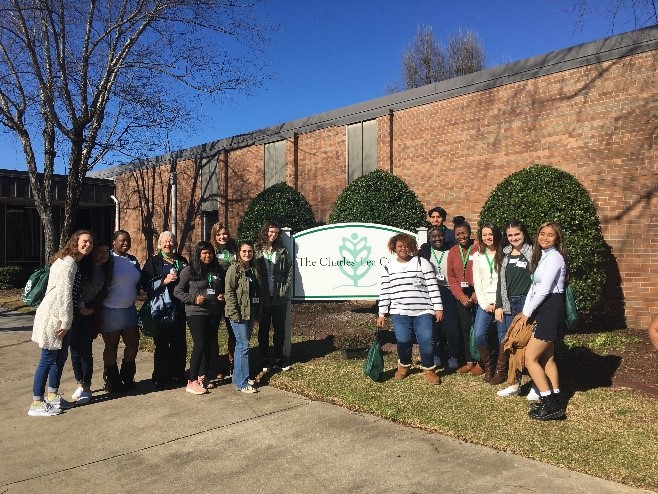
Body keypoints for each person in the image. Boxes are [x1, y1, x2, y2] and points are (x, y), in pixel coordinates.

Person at [28, 230, 94, 416]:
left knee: (59, 357)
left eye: (90, 242)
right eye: (84, 241)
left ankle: (52, 396)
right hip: (55, 317)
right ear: (75, 242)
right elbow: (64, 295)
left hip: (63, 316)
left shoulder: (73, 262)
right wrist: (65, 322)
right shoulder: (68, 263)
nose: (87, 245)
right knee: (47, 359)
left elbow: (72, 295)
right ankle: (36, 403)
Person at [377, 233, 443, 385]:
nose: (403, 249)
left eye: (406, 246)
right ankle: (404, 365)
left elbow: (432, 287)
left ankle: (428, 369)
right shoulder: (389, 268)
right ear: (394, 247)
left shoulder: (422, 263)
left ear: (411, 247)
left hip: (423, 311)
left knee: (426, 340)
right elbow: (385, 292)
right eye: (400, 246)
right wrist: (381, 313)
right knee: (403, 340)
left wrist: (438, 308)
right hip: (399, 312)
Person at [519, 221, 568, 421]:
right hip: (545, 307)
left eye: (550, 235)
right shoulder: (544, 256)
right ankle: (556, 400)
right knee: (547, 358)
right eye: (542, 233)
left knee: (530, 358)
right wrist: (526, 309)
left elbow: (545, 289)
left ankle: (549, 403)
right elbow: (534, 286)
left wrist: (527, 314)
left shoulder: (555, 258)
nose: (545, 237)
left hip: (551, 307)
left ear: (557, 239)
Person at [173, 241, 225, 395]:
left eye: (210, 253)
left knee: (209, 344)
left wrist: (220, 296)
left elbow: (218, 288)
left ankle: (202, 376)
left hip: (213, 312)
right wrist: (193, 299)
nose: (208, 256)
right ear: (198, 254)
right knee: (200, 343)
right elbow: (177, 291)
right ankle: (192, 380)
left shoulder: (216, 270)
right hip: (196, 312)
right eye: (204, 253)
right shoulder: (189, 270)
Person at [141, 231, 189, 389]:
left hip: (180, 308)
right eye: (165, 242)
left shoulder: (181, 261)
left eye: (171, 241)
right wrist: (164, 281)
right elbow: (145, 285)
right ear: (160, 244)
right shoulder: (154, 262)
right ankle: (160, 376)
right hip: (162, 309)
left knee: (179, 343)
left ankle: (177, 374)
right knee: (162, 344)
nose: (168, 244)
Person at [492, 220, 534, 392]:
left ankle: (536, 384)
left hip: (527, 303)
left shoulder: (532, 252)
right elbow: (501, 283)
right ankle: (514, 383)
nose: (514, 238)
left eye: (517, 234)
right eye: (510, 235)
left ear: (523, 233)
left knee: (527, 344)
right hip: (509, 303)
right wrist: (499, 305)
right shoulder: (505, 254)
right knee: (509, 344)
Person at [69, 242, 111, 405]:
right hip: (75, 312)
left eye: (106, 252)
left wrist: (91, 309)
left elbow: (99, 295)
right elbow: (74, 289)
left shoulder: (105, 270)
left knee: (85, 351)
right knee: (75, 351)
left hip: (89, 314)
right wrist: (80, 307)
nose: (103, 255)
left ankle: (86, 387)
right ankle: (80, 383)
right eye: (99, 251)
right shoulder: (83, 268)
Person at [101, 230, 142, 392]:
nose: (125, 243)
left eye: (128, 241)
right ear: (113, 242)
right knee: (111, 346)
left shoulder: (132, 260)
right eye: (121, 240)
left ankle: (127, 376)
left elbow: (137, 283)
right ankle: (112, 379)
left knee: (133, 344)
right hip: (111, 310)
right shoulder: (108, 260)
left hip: (129, 309)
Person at [225, 240, 268, 393]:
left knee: (240, 346)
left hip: (250, 312)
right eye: (244, 251)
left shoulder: (253, 269)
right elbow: (229, 292)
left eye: (249, 251)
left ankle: (238, 377)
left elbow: (256, 292)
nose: (247, 254)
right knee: (244, 346)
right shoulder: (234, 269)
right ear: (239, 253)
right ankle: (243, 383)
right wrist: (234, 313)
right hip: (238, 314)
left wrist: (258, 312)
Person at [418, 226, 460, 370]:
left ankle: (453, 355)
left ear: (444, 236)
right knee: (433, 326)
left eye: (440, 236)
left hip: (449, 291)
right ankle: (435, 355)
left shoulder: (451, 251)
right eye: (434, 237)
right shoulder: (425, 251)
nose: (437, 239)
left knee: (451, 327)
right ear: (429, 238)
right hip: (431, 292)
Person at [255, 220, 293, 372]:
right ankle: (264, 358)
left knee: (279, 329)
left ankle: (278, 358)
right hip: (263, 296)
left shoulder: (282, 251)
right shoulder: (257, 249)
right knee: (263, 328)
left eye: (276, 233)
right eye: (271, 232)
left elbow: (289, 272)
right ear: (265, 232)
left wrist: (284, 290)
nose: (273, 235)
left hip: (278, 296)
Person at [446, 220, 480, 374]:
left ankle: (482, 362)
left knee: (481, 328)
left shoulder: (480, 247)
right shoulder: (453, 251)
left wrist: (477, 293)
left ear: (470, 232)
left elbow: (487, 271)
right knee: (466, 329)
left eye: (464, 233)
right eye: (458, 234)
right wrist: (460, 296)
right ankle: (469, 360)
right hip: (462, 295)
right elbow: (451, 277)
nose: (462, 236)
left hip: (479, 292)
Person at [472, 223, 503, 381]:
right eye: (484, 235)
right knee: (479, 335)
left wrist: (499, 303)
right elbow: (477, 281)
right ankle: (488, 366)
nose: (487, 237)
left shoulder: (505, 254)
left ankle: (500, 369)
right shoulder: (478, 256)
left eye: (490, 234)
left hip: (502, 303)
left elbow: (504, 282)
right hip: (484, 303)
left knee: (501, 337)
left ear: (496, 235)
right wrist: (484, 304)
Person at [209, 222, 238, 378]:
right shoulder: (211, 251)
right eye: (219, 234)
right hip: (216, 296)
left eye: (224, 233)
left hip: (231, 296)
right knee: (213, 333)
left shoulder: (234, 248)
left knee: (233, 331)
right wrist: (215, 294)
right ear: (214, 236)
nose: (222, 237)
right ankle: (215, 367)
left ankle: (232, 364)